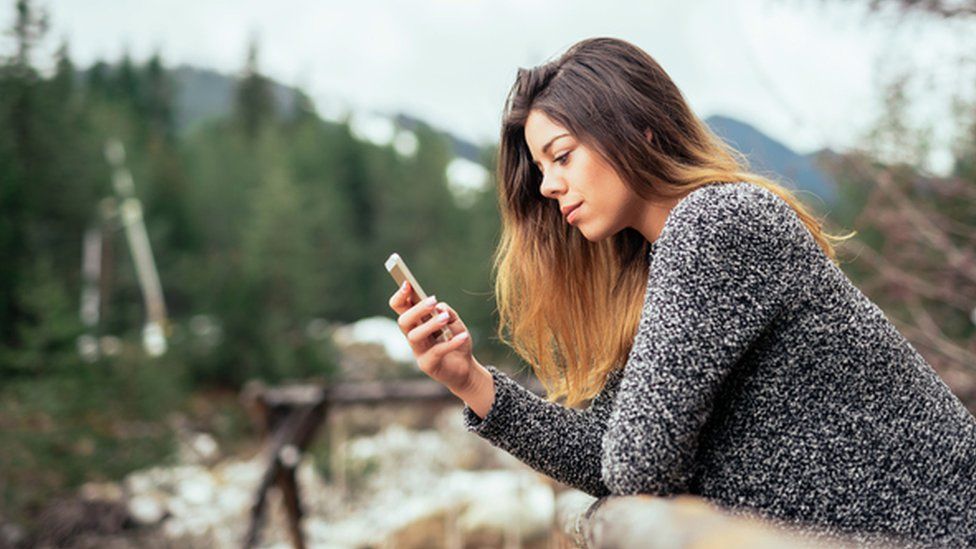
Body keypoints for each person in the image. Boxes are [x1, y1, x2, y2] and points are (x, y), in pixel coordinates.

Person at [387, 37, 976, 546]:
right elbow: (607, 457)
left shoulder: (714, 224)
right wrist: (469, 379)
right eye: (541, 168)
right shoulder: (661, 265)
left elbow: (635, 466)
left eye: (562, 155)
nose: (549, 185)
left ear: (639, 130)